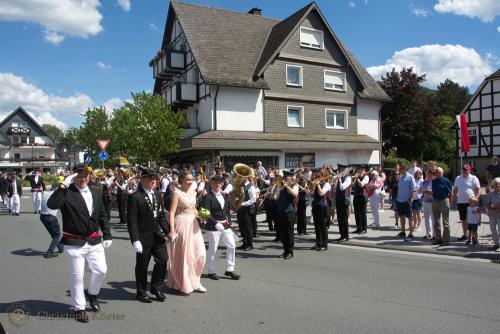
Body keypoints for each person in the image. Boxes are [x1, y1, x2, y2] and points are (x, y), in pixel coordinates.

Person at [47, 164, 112, 323]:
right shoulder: (66, 192)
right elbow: (51, 205)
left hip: (94, 239)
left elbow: (102, 213)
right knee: (77, 277)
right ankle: (79, 308)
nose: (84, 178)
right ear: (73, 176)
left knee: (101, 270)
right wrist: (64, 185)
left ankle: (93, 293)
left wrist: (107, 234)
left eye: (86, 175)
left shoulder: (96, 189)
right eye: (80, 175)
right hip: (74, 241)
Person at [127, 167, 169, 303]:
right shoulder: (135, 197)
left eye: (155, 179)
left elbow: (161, 215)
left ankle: (155, 287)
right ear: (143, 179)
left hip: (156, 235)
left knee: (163, 260)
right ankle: (141, 291)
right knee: (142, 266)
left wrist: (169, 231)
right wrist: (135, 240)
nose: (154, 181)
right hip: (143, 236)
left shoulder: (157, 195)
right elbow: (132, 221)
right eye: (150, 178)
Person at [167, 169, 207, 294]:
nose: (190, 182)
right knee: (185, 255)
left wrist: (201, 216)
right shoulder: (176, 193)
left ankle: (196, 281)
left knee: (200, 253)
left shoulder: (193, 192)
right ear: (181, 181)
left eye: (192, 179)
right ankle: (184, 282)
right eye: (188, 180)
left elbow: (193, 208)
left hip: (193, 224)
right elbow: (171, 213)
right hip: (182, 223)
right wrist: (172, 230)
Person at [202, 175, 240, 281]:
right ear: (211, 184)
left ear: (222, 184)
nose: (217, 185)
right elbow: (204, 213)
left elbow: (226, 210)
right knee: (213, 249)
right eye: (215, 183)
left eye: (220, 183)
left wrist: (228, 219)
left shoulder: (224, 195)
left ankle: (229, 269)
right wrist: (215, 223)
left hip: (225, 224)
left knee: (232, 245)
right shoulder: (207, 197)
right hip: (213, 226)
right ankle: (211, 271)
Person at [452, 164, 480, 242]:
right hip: (461, 202)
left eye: (466, 169)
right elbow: (455, 190)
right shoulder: (458, 178)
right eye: (463, 169)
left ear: (469, 170)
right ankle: (465, 235)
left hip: (471, 203)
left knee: (472, 220)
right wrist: (453, 199)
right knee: (464, 219)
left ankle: (474, 237)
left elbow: (478, 190)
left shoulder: (474, 178)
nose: (464, 171)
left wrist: (476, 198)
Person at [276, 170, 298, 258]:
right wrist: (276, 189)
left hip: (289, 211)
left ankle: (290, 251)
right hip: (281, 211)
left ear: (291, 178)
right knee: (283, 232)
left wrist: (287, 187)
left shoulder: (294, 185)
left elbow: (295, 194)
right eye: (284, 177)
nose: (285, 179)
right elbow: (276, 197)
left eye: (287, 177)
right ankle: (285, 250)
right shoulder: (281, 186)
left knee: (289, 232)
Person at [39, 181, 64, 258]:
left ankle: (60, 247)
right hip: (50, 217)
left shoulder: (45, 193)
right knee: (57, 235)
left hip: (42, 216)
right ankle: (49, 252)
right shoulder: (56, 195)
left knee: (53, 234)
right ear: (57, 188)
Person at [431, 167, 453, 246]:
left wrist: (450, 202)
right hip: (435, 201)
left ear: (442, 173)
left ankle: (446, 240)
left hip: (444, 201)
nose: (437, 173)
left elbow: (451, 193)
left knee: (445, 223)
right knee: (436, 222)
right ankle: (438, 238)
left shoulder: (446, 181)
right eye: (436, 172)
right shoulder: (433, 181)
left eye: (439, 172)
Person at [235, 174, 257, 251]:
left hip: (247, 209)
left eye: (242, 176)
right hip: (240, 209)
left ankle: (249, 244)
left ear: (246, 177)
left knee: (248, 228)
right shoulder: (240, 186)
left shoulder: (251, 187)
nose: (240, 177)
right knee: (242, 227)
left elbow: (253, 199)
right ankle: (244, 243)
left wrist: (242, 204)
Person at [311, 169, 331, 251]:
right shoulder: (317, 184)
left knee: (323, 226)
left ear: (323, 176)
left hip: (323, 207)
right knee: (317, 226)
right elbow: (313, 194)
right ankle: (318, 242)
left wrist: (318, 185)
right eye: (317, 176)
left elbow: (321, 193)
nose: (317, 177)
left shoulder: (327, 184)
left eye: (319, 176)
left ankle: (324, 244)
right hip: (316, 206)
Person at [396, 165, 416, 240]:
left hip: (407, 201)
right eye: (399, 169)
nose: (400, 171)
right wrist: (397, 197)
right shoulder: (400, 178)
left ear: (404, 169)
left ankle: (410, 233)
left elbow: (414, 189)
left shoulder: (410, 177)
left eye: (401, 169)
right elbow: (399, 189)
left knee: (410, 217)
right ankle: (403, 232)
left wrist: (411, 198)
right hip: (400, 200)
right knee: (401, 216)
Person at [334, 165, 351, 242]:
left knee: (344, 219)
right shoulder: (339, 178)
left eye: (341, 170)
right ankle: (341, 235)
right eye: (339, 170)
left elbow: (342, 187)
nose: (340, 172)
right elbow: (335, 188)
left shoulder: (348, 178)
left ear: (345, 170)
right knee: (340, 218)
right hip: (338, 199)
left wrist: (340, 180)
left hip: (344, 200)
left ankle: (345, 236)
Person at [352, 166, 369, 233]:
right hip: (356, 196)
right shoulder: (357, 177)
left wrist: (357, 178)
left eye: (361, 169)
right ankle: (359, 228)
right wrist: (354, 179)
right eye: (359, 169)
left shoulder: (366, 177)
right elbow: (353, 185)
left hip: (362, 196)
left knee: (362, 213)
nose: (359, 171)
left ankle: (364, 228)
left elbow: (361, 185)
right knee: (357, 213)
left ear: (364, 170)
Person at [485, 177, 500, 251]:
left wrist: (494, 206)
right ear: (493, 185)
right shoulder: (490, 193)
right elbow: (487, 204)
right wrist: (493, 207)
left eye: (499, 184)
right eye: (496, 185)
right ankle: (497, 244)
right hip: (492, 214)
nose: (498, 186)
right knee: (493, 230)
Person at [420, 172, 434, 240]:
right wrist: (425, 190)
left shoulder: (434, 183)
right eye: (428, 175)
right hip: (425, 201)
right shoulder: (423, 183)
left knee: (433, 218)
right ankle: (428, 233)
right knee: (426, 218)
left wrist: (426, 190)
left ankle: (434, 234)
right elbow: (420, 190)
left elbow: (433, 192)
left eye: (430, 175)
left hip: (432, 202)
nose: (429, 177)